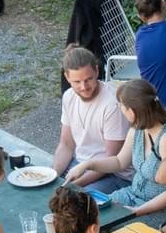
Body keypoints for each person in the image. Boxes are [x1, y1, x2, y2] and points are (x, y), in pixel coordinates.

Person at [66, 79, 166, 229]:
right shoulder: (138, 129)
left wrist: (137, 211)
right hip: (134, 195)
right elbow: (119, 161)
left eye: (122, 107)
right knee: (87, 214)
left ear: (132, 111)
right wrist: (87, 164)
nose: (121, 110)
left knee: (110, 226)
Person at [54, 45, 129, 191]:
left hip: (112, 173)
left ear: (96, 70)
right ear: (67, 77)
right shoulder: (68, 96)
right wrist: (54, 175)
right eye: (77, 82)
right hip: (80, 163)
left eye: (88, 79)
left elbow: (111, 159)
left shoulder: (112, 104)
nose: (83, 87)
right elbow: (66, 144)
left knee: (74, 201)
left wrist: (72, 186)